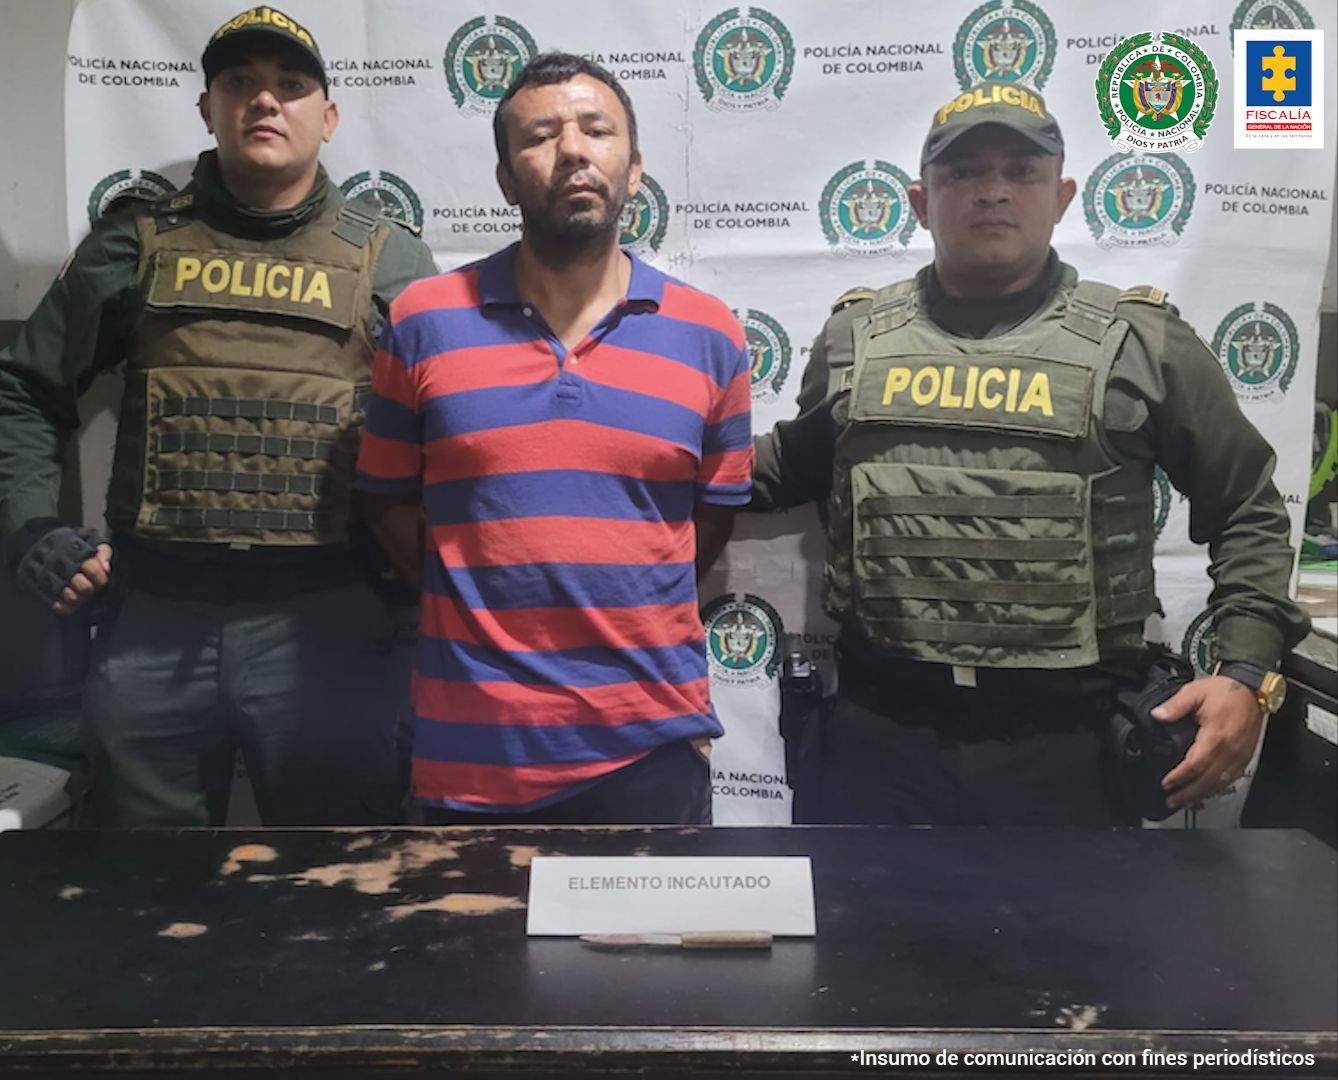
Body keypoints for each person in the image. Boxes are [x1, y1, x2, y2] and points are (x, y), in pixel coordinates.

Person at [751, 81, 1309, 826]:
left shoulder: (1141, 343)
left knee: (1078, 947)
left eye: (1021, 171)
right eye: (964, 173)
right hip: (880, 740)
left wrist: (1245, 671)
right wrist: (634, 451)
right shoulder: (856, 341)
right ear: (921, 202)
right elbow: (793, 464)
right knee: (869, 945)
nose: (992, 192)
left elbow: (1248, 510)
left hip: (1067, 749)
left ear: (1063, 196)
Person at [0, 6, 437, 826]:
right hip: (155, 614)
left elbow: (447, 426)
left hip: (328, 620)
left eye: (291, 85)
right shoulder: (136, 240)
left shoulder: (388, 257)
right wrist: (31, 527)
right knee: (144, 893)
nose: (265, 101)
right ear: (207, 107)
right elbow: (24, 390)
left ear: (329, 116)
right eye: (240, 83)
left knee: (336, 885)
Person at [356, 53, 752, 825]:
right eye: (541, 135)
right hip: (472, 756)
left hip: (651, 753)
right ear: (505, 181)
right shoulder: (422, 322)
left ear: (633, 168)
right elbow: (388, 504)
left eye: (596, 130)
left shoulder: (710, 335)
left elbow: (709, 519)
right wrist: (484, 600)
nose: (573, 149)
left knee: (647, 954)